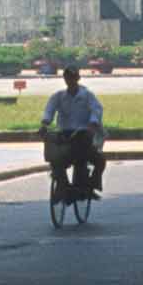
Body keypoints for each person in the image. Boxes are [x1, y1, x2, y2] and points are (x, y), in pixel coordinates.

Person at [39, 64, 106, 198]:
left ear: (78, 78)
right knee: (55, 158)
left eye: (73, 78)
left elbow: (96, 109)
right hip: (64, 133)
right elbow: (49, 110)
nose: (70, 81)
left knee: (99, 160)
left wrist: (93, 122)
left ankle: (91, 185)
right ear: (64, 79)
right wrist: (45, 123)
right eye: (67, 78)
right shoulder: (58, 96)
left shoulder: (87, 95)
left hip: (83, 133)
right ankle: (64, 187)